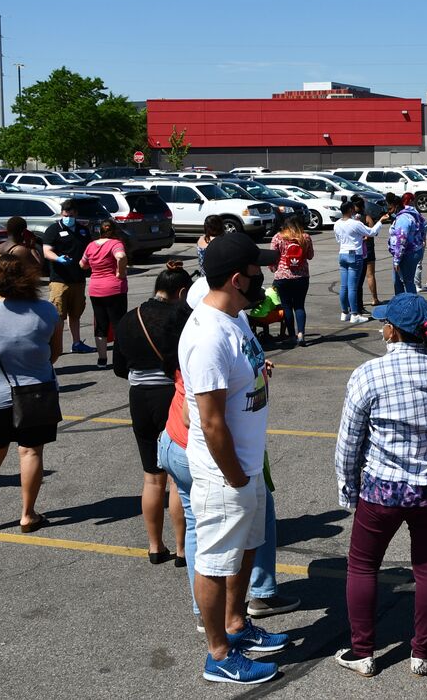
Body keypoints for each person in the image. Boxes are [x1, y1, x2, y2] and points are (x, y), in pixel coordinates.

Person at [333, 293, 427, 677]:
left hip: (383, 489)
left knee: (363, 566)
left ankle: (363, 652)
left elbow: (350, 441)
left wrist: (347, 486)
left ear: (392, 330)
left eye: (384, 323)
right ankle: (422, 652)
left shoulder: (369, 374)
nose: (381, 328)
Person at [178, 233, 291, 684]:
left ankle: (237, 624)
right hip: (226, 473)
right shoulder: (207, 336)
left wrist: (258, 372)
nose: (264, 279)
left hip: (247, 464)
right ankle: (219, 654)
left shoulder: (236, 318)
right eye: (257, 273)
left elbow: (242, 368)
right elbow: (209, 422)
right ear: (235, 279)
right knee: (215, 559)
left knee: (246, 550)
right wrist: (237, 478)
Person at [0, 254, 62, 537]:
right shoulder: (47, 311)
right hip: (37, 392)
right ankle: (27, 514)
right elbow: (54, 355)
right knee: (30, 451)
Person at [113, 262, 193, 563]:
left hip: (139, 397)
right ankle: (183, 547)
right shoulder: (181, 317)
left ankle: (155, 546)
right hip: (170, 396)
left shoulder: (129, 317)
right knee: (177, 480)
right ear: (181, 292)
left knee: (151, 477)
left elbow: (119, 367)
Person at [42, 200, 95, 355]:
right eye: (66, 214)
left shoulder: (83, 231)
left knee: (76, 314)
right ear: (61, 213)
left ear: (76, 214)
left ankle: (77, 343)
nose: (68, 217)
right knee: (58, 315)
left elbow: (89, 251)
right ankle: (55, 346)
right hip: (60, 280)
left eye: (71, 215)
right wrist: (58, 258)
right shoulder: (53, 230)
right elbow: (46, 251)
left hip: (78, 279)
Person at [80, 219, 128, 368]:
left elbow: (82, 264)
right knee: (118, 323)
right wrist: (120, 272)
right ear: (114, 231)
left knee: (100, 324)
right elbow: (120, 256)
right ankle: (120, 359)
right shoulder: (115, 244)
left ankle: (102, 359)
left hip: (96, 289)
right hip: (114, 288)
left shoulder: (91, 245)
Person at [334, 199, 382, 324]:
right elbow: (372, 232)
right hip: (354, 254)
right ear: (350, 210)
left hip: (343, 254)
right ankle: (354, 313)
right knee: (353, 287)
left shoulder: (337, 223)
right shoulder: (355, 223)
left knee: (344, 286)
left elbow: (338, 240)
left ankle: (345, 312)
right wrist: (381, 221)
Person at [269, 216, 313, 345]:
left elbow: (272, 256)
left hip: (283, 276)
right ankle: (301, 334)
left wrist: (274, 269)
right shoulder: (305, 237)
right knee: (299, 306)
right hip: (302, 276)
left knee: (286, 306)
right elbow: (310, 256)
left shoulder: (278, 237)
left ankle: (292, 336)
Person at [387, 192, 427, 296]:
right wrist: (421, 239)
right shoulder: (413, 213)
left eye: (390, 209)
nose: (389, 212)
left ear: (396, 206)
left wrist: (396, 260)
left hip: (407, 254)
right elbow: (424, 225)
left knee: (407, 281)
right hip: (413, 251)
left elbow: (401, 240)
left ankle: (410, 306)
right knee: (399, 281)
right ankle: (402, 303)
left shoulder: (403, 219)